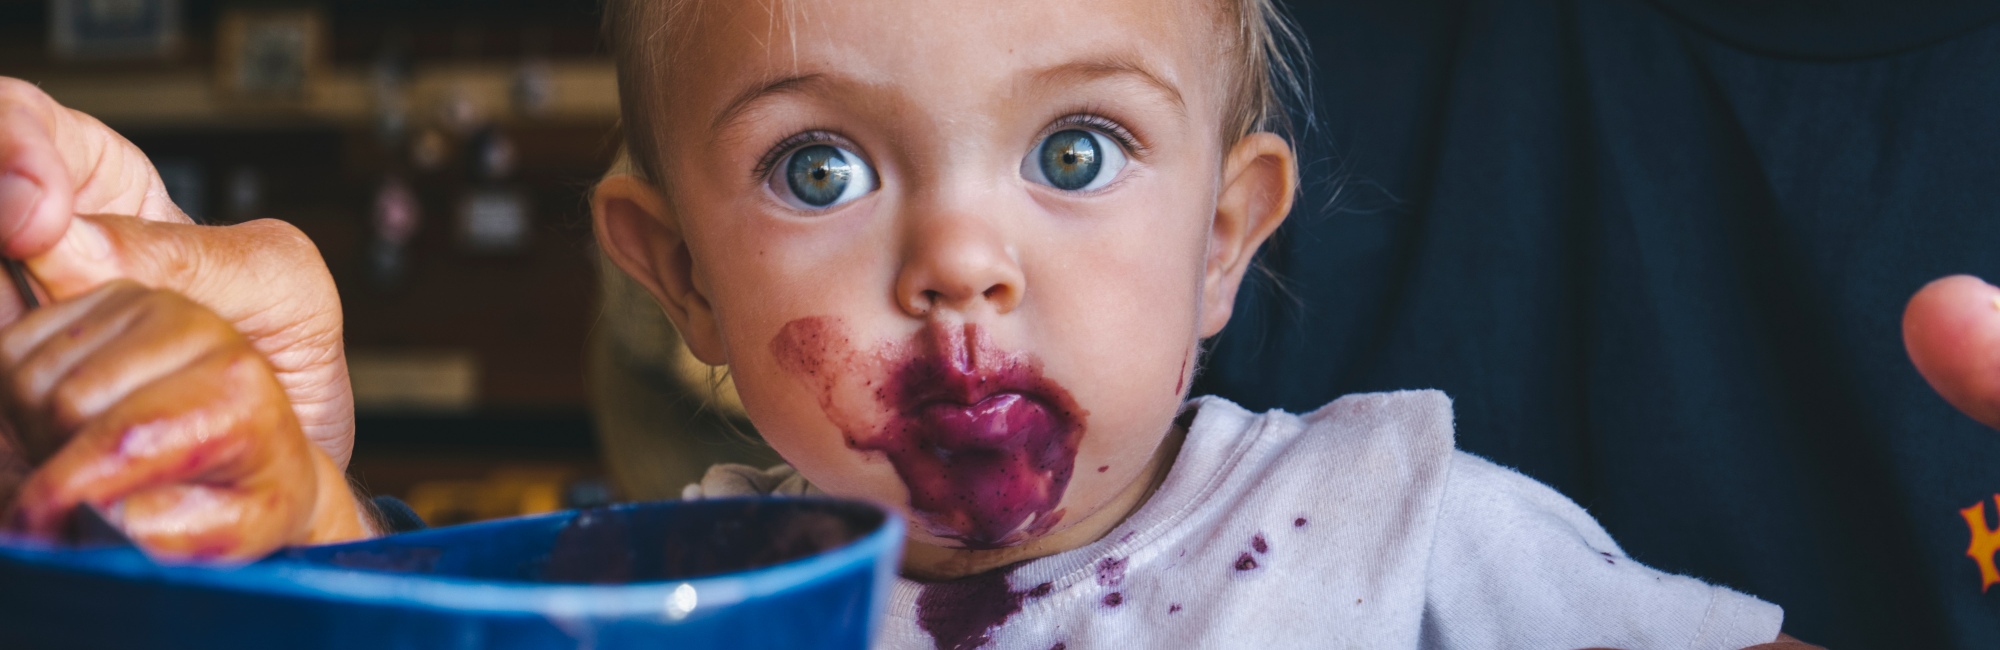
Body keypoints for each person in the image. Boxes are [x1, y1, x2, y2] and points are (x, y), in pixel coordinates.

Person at [12, 0, 1998, 646]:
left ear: (1227, 244)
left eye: (1072, 156)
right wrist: (277, 514)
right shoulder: (705, 585)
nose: (960, 265)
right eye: (819, 172)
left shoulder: (1419, 537)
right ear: (673, 275)